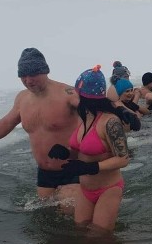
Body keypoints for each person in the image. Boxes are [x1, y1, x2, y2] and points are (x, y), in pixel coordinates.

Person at [0, 47, 81, 204]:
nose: (28, 80)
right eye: (23, 76)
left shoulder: (69, 93)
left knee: (71, 215)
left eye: (33, 74)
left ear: (45, 71)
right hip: (45, 173)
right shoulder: (22, 98)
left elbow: (97, 113)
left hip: (74, 167)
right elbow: (8, 121)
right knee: (46, 214)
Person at [49, 65, 130, 233]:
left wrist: (90, 168)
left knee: (99, 237)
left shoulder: (110, 122)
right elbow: (83, 151)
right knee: (80, 232)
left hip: (108, 189)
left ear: (85, 96)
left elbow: (123, 158)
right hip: (86, 190)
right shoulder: (85, 118)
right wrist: (65, 152)